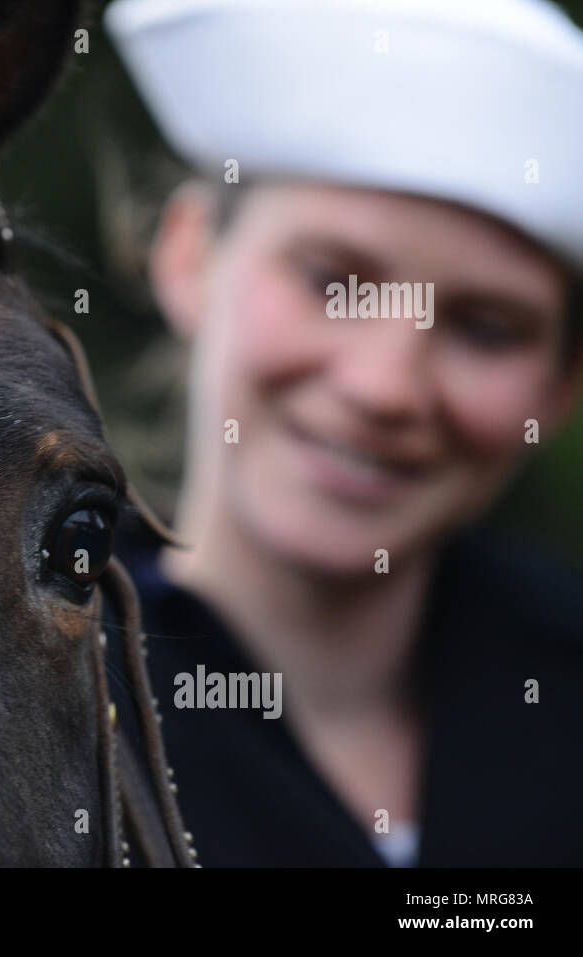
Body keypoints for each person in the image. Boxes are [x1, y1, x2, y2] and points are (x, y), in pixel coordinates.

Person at [103, 0, 583, 865]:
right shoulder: (29, 702)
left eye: (486, 327)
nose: (386, 387)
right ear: (190, 258)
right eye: (334, 281)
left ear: (562, 383)